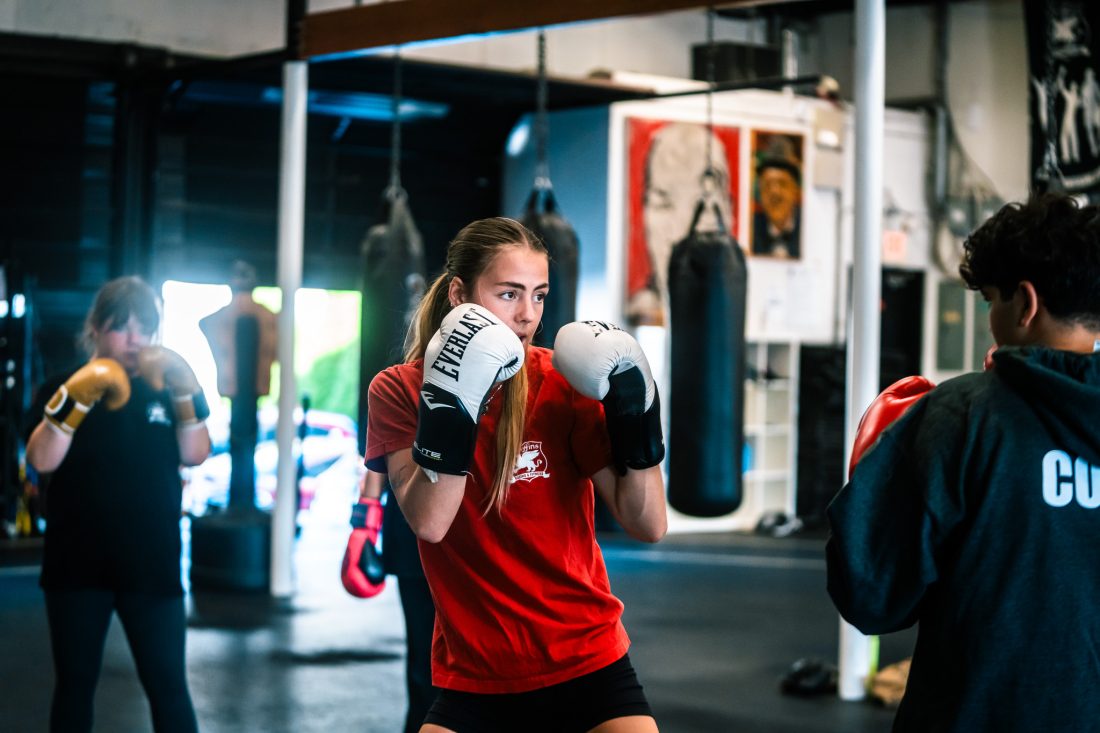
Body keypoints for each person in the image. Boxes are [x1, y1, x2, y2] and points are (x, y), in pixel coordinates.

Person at [366, 216, 667, 732]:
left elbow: (648, 524)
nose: (528, 316)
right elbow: (431, 522)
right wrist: (452, 403)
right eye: (508, 294)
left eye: (540, 295)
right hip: (476, 674)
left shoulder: (562, 383)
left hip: (587, 658)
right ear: (461, 294)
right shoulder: (398, 391)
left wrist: (636, 421)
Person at [826, 193, 1100, 731]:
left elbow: (872, 597)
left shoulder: (958, 417)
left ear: (1025, 303)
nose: (992, 319)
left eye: (992, 301)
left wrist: (872, 480)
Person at [24, 276, 210, 733]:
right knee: (74, 686)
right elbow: (41, 460)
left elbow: (195, 453)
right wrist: (77, 397)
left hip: (153, 564)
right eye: (120, 326)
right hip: (76, 566)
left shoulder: (168, 388)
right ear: (95, 327)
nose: (134, 338)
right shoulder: (61, 386)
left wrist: (185, 389)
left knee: (169, 687)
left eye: (144, 327)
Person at [343, 467, 438, 733]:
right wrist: (363, 526)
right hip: (414, 535)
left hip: (472, 531)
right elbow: (376, 459)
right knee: (425, 666)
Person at [628, 121, 732, 327]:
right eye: (662, 204)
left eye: (704, 210)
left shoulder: (727, 304)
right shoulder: (639, 308)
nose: (677, 232)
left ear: (729, 212)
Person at [750, 148, 801, 260]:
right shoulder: (750, 229)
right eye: (767, 185)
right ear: (760, 193)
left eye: (782, 184)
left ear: (795, 191)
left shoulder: (808, 228)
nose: (775, 192)